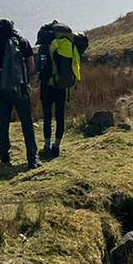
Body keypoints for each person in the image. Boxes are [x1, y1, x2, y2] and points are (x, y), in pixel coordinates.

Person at [0, 25, 37, 168]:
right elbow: (31, 66)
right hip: (20, 87)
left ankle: (4, 156)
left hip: (2, 89)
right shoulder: (22, 42)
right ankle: (32, 158)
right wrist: (25, 79)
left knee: (3, 123)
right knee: (27, 123)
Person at [35, 20, 81, 160]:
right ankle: (57, 146)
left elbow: (38, 68)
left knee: (47, 116)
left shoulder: (44, 47)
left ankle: (47, 146)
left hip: (47, 85)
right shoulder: (68, 45)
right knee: (60, 117)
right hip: (62, 86)